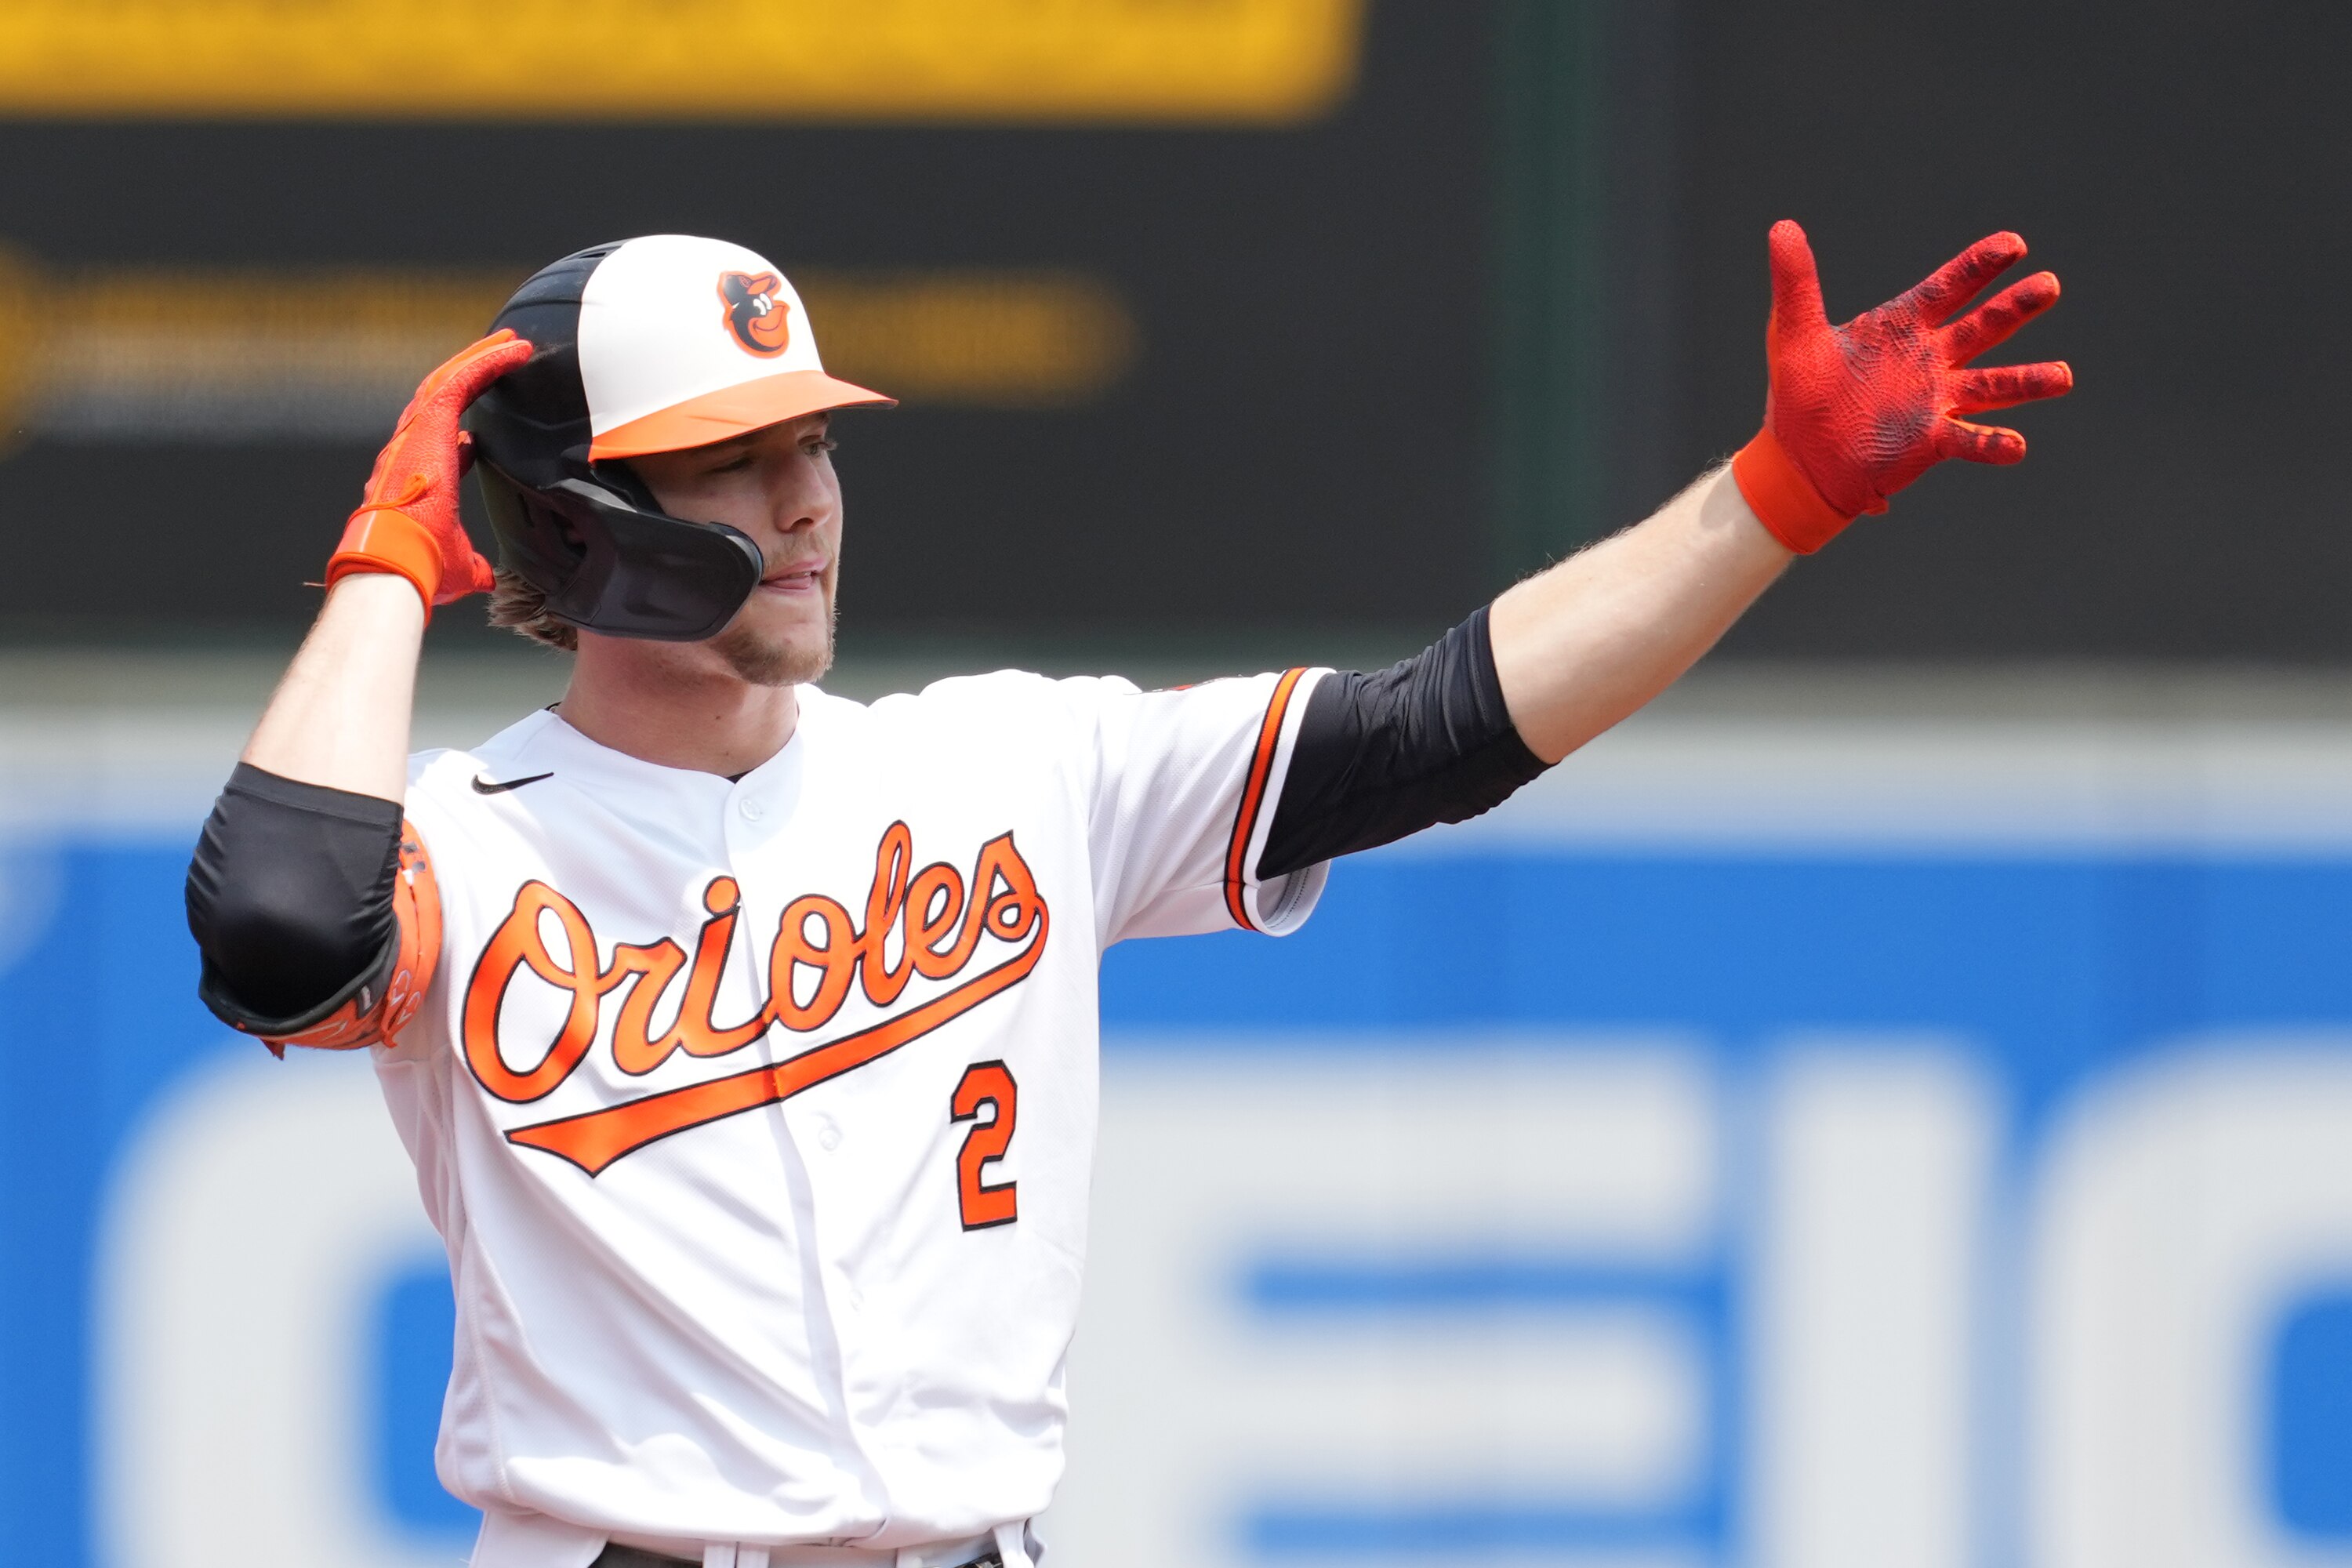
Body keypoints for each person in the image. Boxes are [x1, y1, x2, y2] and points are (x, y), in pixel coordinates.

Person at [183, 223, 2067, 1568]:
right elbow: (277, 935)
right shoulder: (465, 842)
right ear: (588, 519)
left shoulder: (1005, 764)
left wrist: (1772, 498)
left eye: (816, 441)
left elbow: (1439, 727)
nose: (808, 497)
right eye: (736, 462)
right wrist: (387, 560)